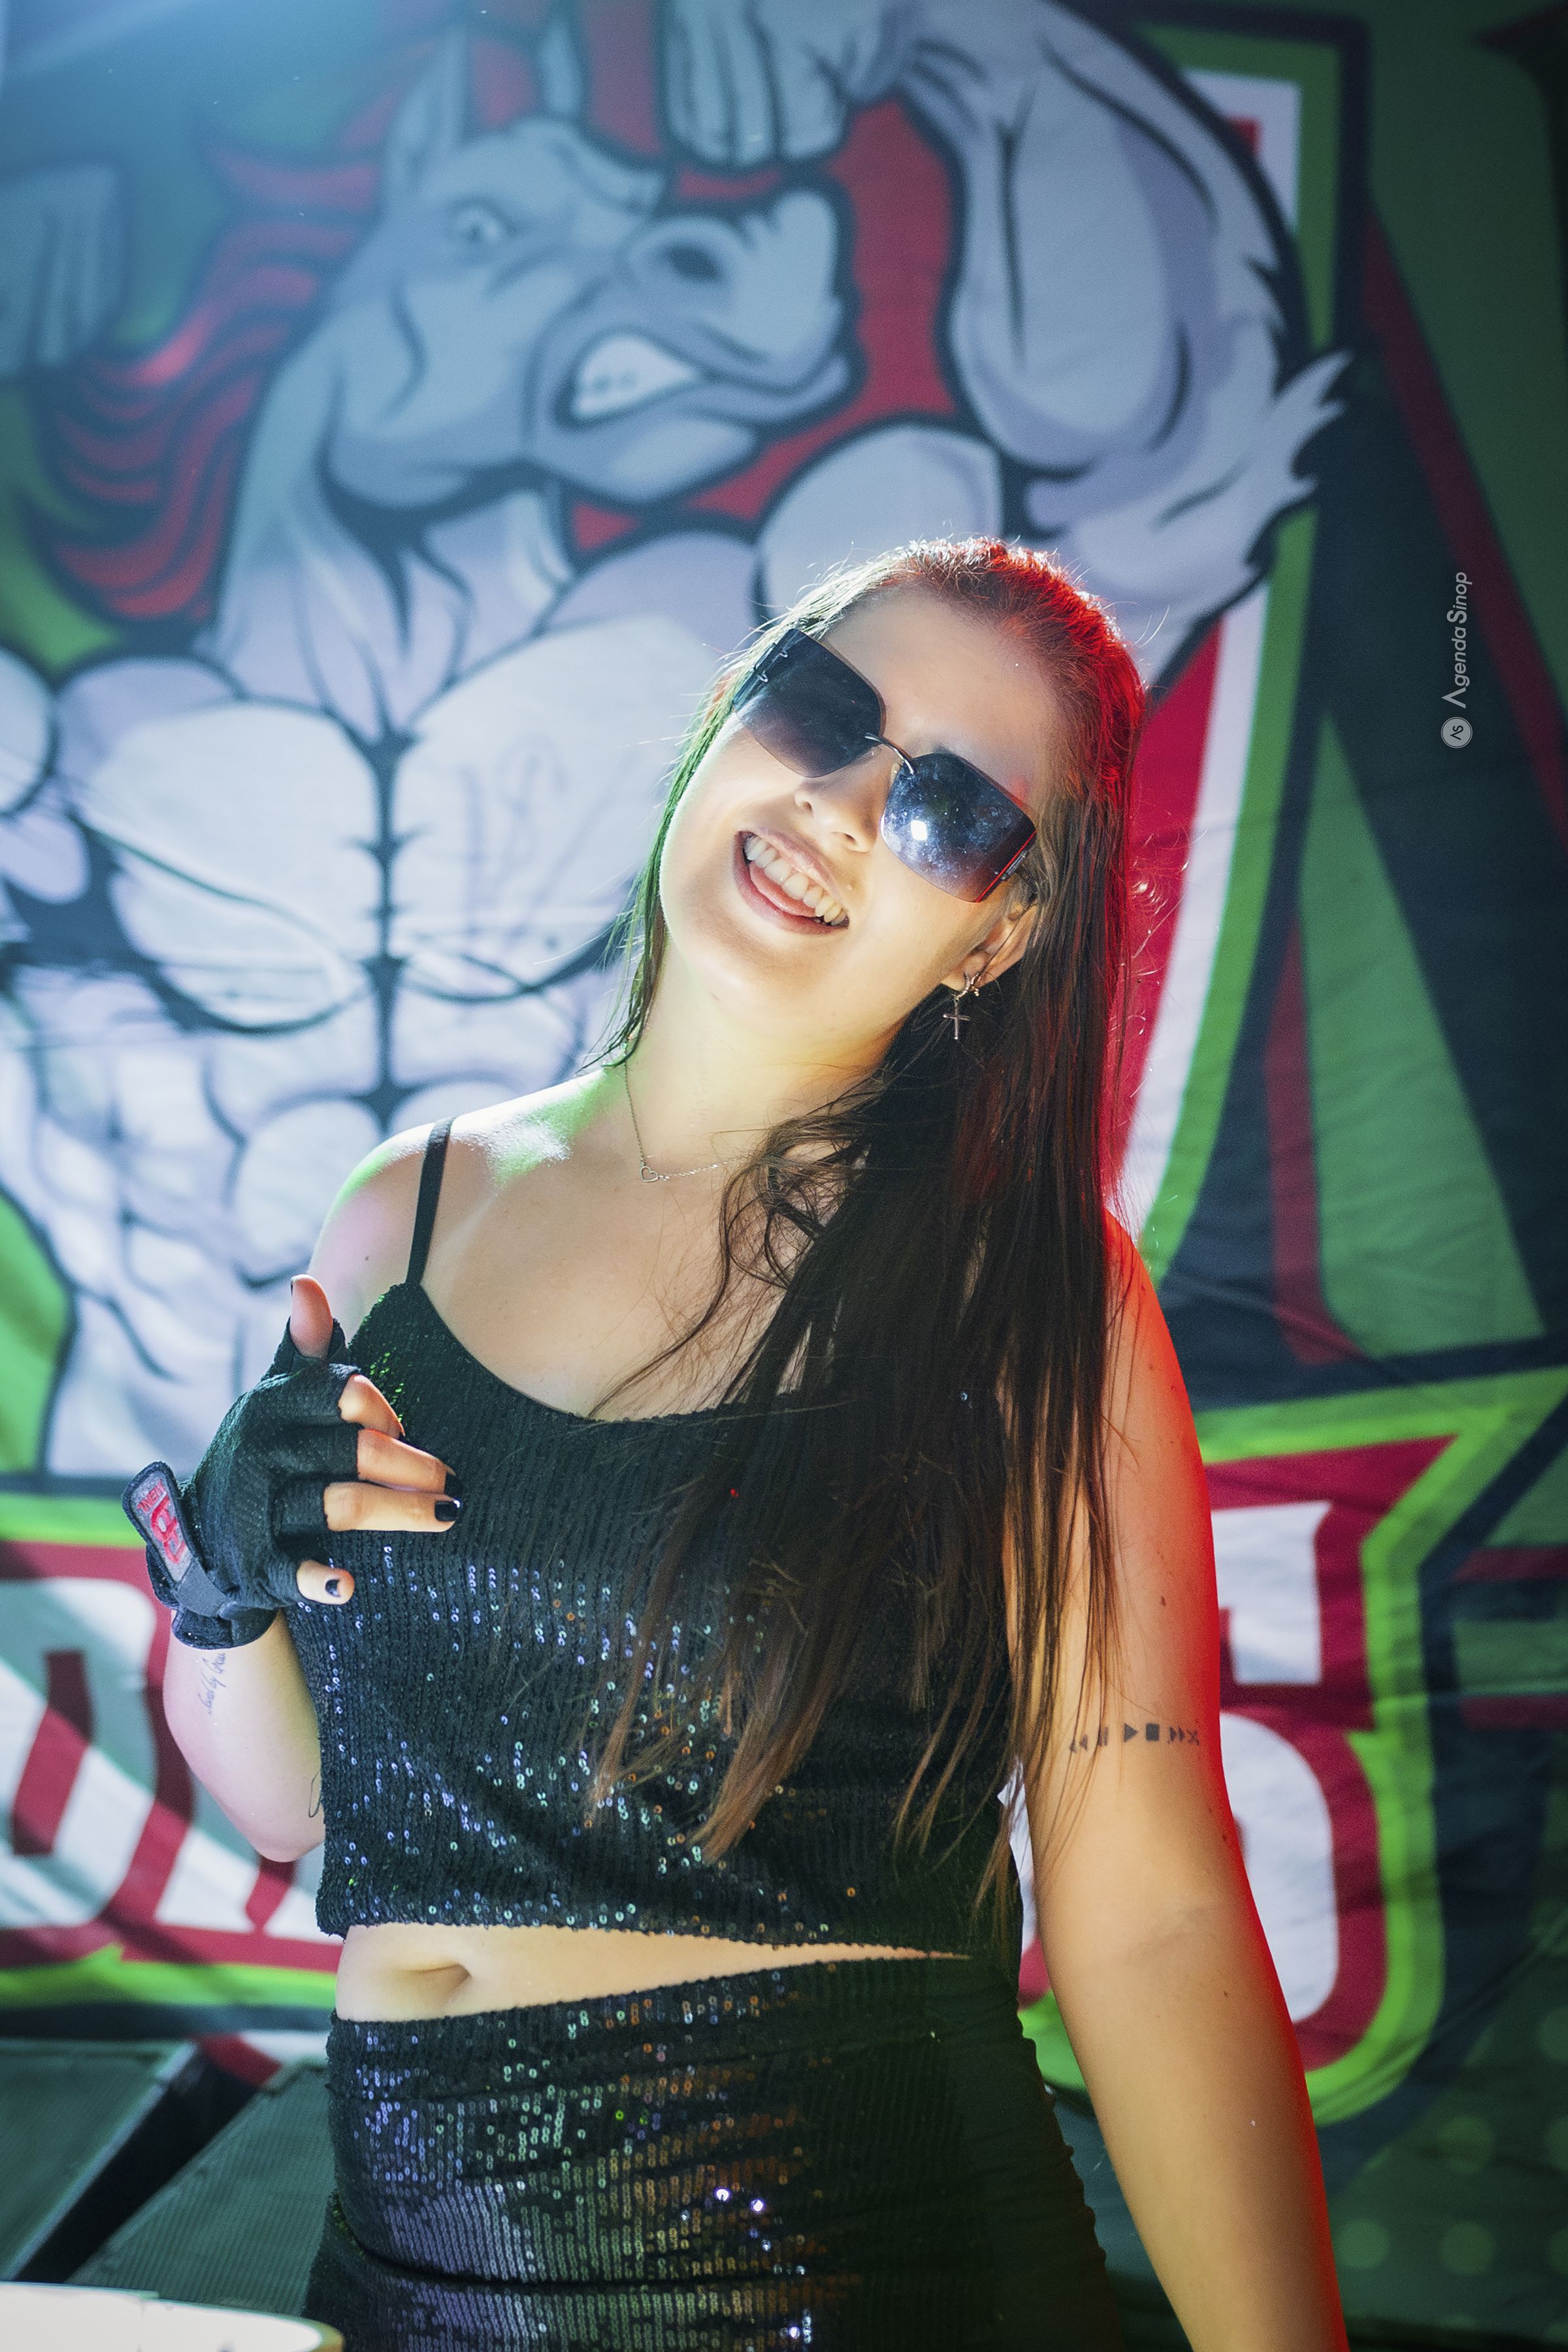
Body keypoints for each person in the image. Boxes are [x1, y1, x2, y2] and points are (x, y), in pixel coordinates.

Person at [127, 538, 1348, 2350]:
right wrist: (222, 1593)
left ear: (1002, 932)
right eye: (825, 710)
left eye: (945, 809)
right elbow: (297, 1803)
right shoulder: (405, 1210)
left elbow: (1153, 1915)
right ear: (730, 717)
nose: (841, 802)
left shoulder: (1032, 1295)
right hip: (399, 2286)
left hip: (850, 2277)